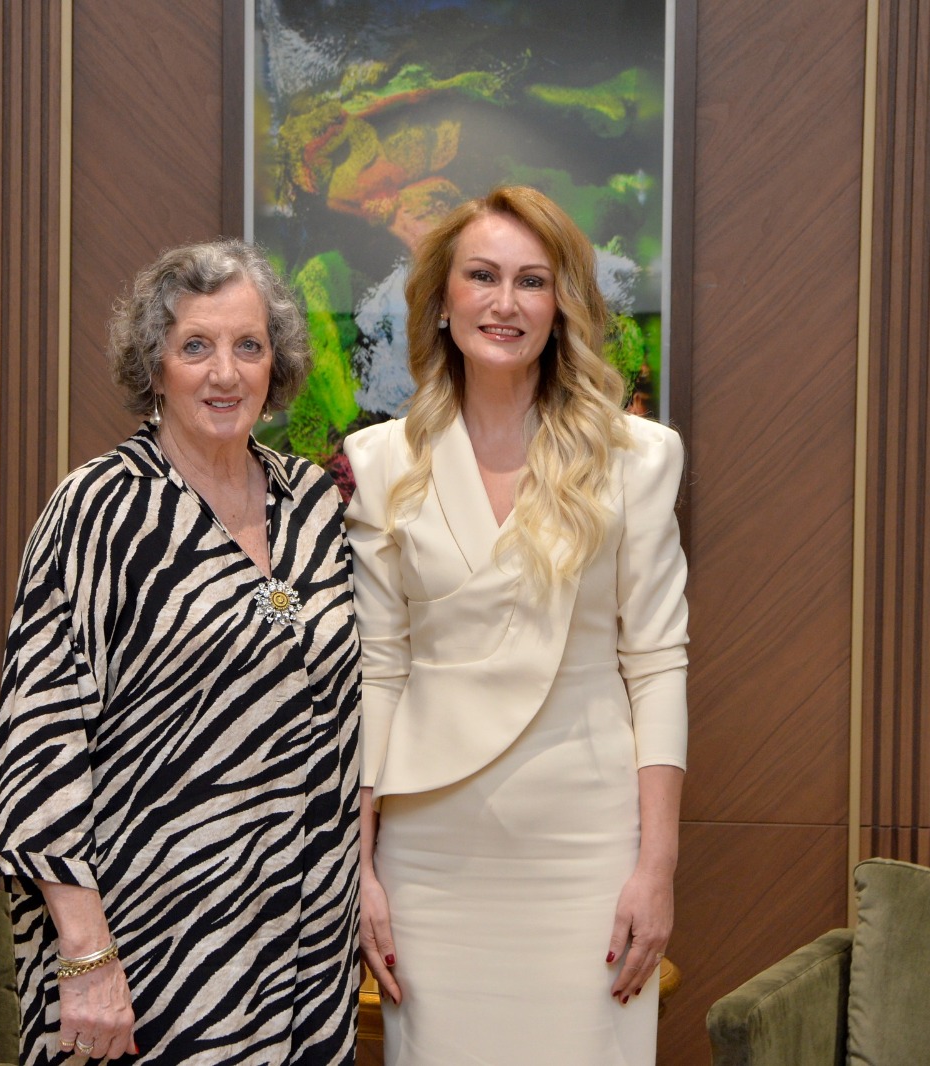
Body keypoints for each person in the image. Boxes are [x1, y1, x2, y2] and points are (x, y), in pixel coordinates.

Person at [0, 240, 361, 1065]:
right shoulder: (99, 509)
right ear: (154, 367)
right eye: (196, 346)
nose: (225, 373)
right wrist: (86, 956)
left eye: (248, 346)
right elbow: (39, 743)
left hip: (307, 949)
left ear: (275, 365)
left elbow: (352, 718)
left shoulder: (313, 504)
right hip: (152, 947)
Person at [344, 186, 688, 1065]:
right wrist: (362, 867)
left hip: (586, 850)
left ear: (561, 305)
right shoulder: (380, 464)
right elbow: (377, 670)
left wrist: (656, 868)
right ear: (443, 299)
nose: (505, 302)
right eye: (483, 277)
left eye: (532, 281)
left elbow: (657, 665)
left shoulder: (637, 458)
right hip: (430, 860)